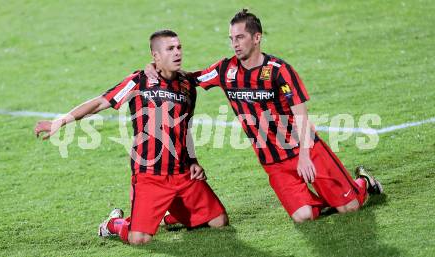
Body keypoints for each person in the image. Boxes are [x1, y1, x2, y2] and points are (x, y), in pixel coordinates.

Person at [146, 10, 383, 223]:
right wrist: (156, 68)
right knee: (304, 217)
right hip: (274, 163)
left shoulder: (279, 71)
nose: (235, 44)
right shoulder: (225, 70)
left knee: (350, 208)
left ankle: (362, 184)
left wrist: (304, 156)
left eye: (240, 38)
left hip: (307, 150)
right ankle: (331, 198)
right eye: (231, 39)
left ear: (256, 37)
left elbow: (301, 114)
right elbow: (188, 79)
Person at [34, 30, 228, 245]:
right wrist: (58, 122)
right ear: (155, 56)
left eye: (179, 47)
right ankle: (113, 224)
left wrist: (193, 161)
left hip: (181, 172)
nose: (177, 52)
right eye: (170, 48)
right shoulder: (139, 81)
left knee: (219, 221)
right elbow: (100, 102)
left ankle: (164, 215)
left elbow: (185, 127)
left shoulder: (187, 84)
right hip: (149, 173)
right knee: (139, 239)